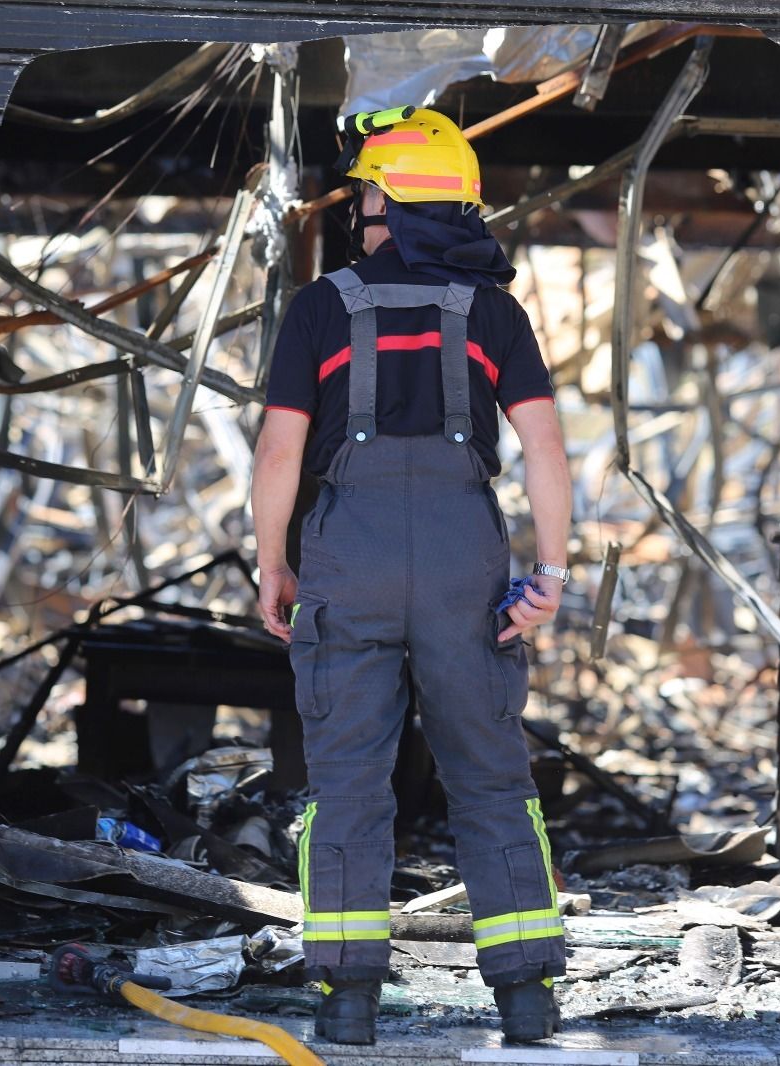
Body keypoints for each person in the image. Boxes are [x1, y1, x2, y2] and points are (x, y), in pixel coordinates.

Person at [251, 106, 573, 1046]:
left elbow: (280, 450)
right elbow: (545, 447)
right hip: (461, 560)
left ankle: (348, 1005)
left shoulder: (321, 307)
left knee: (348, 780)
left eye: (364, 194)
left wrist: (275, 562)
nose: (355, 210)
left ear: (386, 200)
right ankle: (525, 1003)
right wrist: (549, 572)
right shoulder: (495, 315)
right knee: (488, 773)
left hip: (347, 556)